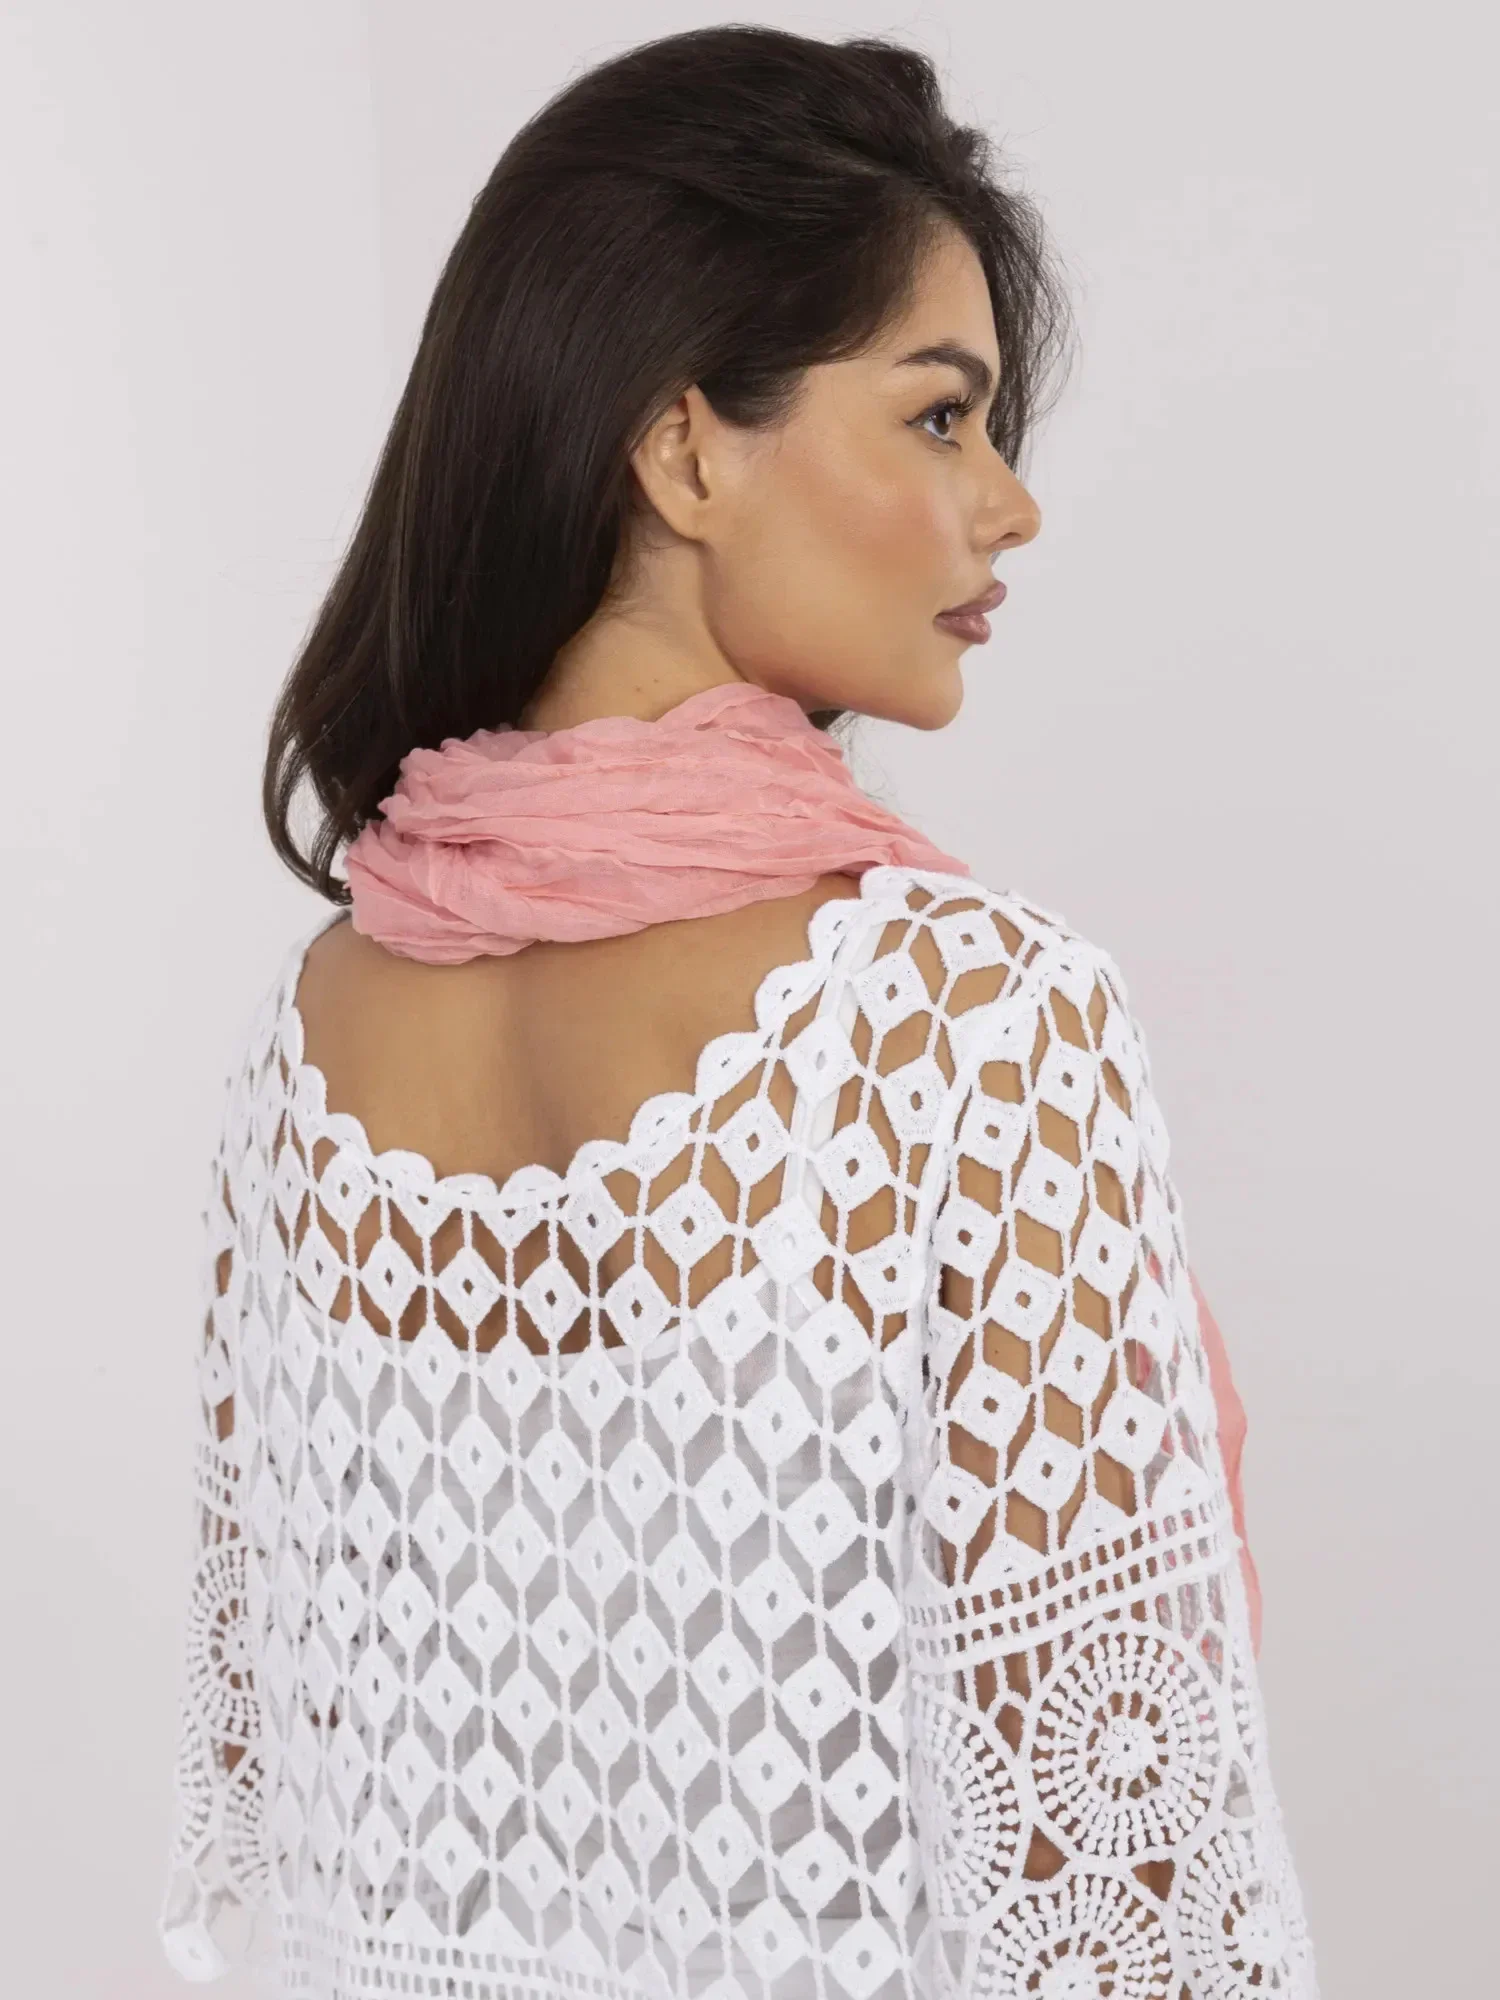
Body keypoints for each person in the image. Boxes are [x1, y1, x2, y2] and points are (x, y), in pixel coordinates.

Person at [158, 24, 1313, 1998]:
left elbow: (327, 1779)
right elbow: (1115, 1892)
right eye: (940, 418)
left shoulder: (315, 1034)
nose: (1009, 507)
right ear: (687, 448)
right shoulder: (971, 1022)